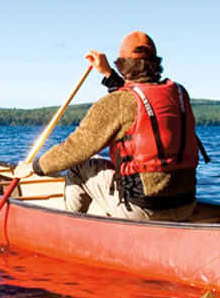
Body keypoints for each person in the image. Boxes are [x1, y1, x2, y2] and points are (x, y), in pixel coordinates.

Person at [14, 31, 201, 221]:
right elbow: (139, 96)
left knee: (80, 166)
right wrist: (108, 74)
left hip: (143, 209)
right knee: (103, 161)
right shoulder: (178, 93)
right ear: (156, 62)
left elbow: (76, 148)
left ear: (122, 65)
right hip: (186, 204)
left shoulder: (117, 102)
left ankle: (71, 228)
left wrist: (34, 167)